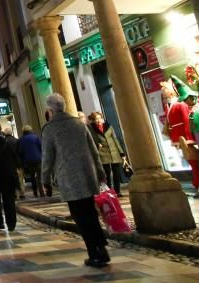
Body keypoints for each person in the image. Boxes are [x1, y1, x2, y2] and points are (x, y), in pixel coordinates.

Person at [42, 93, 111, 268]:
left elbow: (47, 157)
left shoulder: (50, 129)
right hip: (88, 175)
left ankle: (93, 253)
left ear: (50, 110)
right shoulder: (79, 124)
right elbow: (94, 151)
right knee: (91, 214)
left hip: (69, 179)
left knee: (80, 217)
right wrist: (100, 173)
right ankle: (102, 249)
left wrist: (45, 180)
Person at [163, 77, 199, 195]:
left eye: (165, 90)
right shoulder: (171, 106)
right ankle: (197, 183)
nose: (163, 93)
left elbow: (186, 121)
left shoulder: (180, 105)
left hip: (184, 137)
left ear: (171, 92)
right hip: (178, 137)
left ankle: (198, 183)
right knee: (189, 160)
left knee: (192, 161)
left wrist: (189, 138)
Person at [89, 112, 127, 196]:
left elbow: (115, 139)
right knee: (107, 174)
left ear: (102, 118)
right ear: (93, 120)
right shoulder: (91, 129)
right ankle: (109, 191)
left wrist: (121, 153)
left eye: (99, 118)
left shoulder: (109, 126)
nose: (98, 120)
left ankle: (117, 191)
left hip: (114, 152)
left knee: (116, 173)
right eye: (96, 119)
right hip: (102, 153)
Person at [18, 124, 45, 197]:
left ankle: (35, 192)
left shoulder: (22, 139)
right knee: (39, 176)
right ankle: (41, 191)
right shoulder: (35, 137)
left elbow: (20, 151)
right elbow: (41, 147)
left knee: (32, 176)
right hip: (38, 159)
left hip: (28, 161)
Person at [3, 127, 27, 200]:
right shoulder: (16, 140)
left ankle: (15, 194)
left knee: (12, 180)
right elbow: (21, 152)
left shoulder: (4, 142)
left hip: (9, 164)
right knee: (20, 179)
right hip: (18, 163)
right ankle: (22, 193)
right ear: (11, 133)